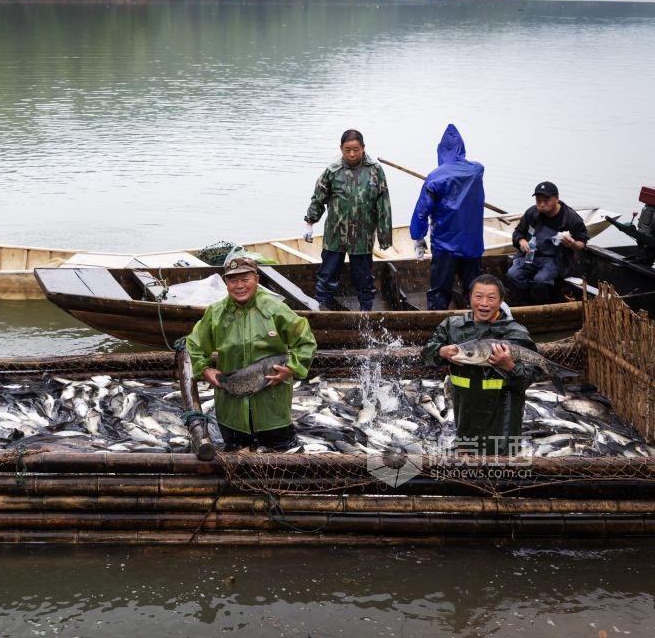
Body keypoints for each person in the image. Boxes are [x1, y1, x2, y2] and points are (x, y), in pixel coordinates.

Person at [185, 256, 317, 452]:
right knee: (235, 456)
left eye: (245, 279)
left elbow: (306, 342)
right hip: (231, 412)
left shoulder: (276, 309)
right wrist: (205, 369)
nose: (239, 286)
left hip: (273, 410)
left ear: (257, 279)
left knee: (283, 457)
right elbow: (194, 344)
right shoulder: (216, 313)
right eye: (233, 280)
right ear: (225, 282)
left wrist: (292, 368)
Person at [420, 274, 537, 456]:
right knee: (467, 458)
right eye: (478, 296)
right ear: (469, 298)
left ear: (501, 301)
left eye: (491, 298)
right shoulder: (452, 326)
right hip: (465, 414)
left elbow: (527, 379)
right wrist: (441, 351)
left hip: (503, 418)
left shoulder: (515, 332)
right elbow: (426, 355)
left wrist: (509, 366)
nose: (484, 303)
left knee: (502, 463)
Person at [303, 129, 392, 311]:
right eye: (347, 150)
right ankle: (322, 312)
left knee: (363, 279)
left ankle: (366, 315)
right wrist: (309, 223)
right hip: (335, 235)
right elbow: (318, 198)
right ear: (341, 149)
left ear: (363, 148)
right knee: (327, 276)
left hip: (362, 236)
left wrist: (384, 236)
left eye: (356, 150)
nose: (352, 154)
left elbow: (383, 204)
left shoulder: (375, 171)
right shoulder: (332, 170)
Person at [410, 124, 486, 310]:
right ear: (462, 148)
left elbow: (421, 211)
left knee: (440, 291)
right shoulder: (476, 171)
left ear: (441, 151)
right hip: (472, 245)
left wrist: (418, 237)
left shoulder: (435, 177)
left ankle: (437, 322)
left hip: (445, 245)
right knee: (474, 290)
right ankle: (478, 320)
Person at [506, 181, 589, 305]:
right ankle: (524, 303)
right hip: (529, 256)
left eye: (546, 200)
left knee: (541, 280)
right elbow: (518, 233)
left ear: (556, 199)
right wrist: (522, 242)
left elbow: (582, 243)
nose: (541, 204)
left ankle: (541, 304)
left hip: (555, 259)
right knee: (513, 274)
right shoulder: (532, 213)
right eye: (538, 200)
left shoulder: (570, 218)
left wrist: (572, 244)